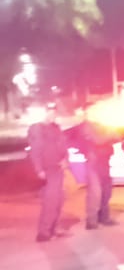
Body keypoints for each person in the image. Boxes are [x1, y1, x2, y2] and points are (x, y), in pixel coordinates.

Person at [67, 112, 120, 229]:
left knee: (106, 193)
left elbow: (117, 137)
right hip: (94, 164)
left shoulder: (102, 126)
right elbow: (98, 140)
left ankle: (104, 218)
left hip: (105, 162)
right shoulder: (86, 127)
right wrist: (110, 134)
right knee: (95, 194)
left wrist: (111, 134)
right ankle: (91, 221)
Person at [27, 102, 69, 242]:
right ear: (44, 112)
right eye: (50, 112)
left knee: (59, 201)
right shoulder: (37, 128)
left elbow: (63, 146)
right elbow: (35, 150)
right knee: (50, 202)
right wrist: (39, 170)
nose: (52, 115)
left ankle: (54, 229)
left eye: (54, 112)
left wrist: (65, 159)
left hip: (58, 168)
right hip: (48, 170)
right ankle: (43, 234)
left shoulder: (56, 128)